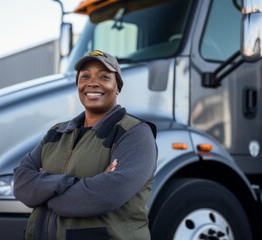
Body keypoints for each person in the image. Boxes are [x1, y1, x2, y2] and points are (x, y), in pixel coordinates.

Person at [13, 50, 158, 240]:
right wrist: (71, 184)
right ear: (78, 85)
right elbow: (21, 182)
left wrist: (44, 193)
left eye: (104, 77)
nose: (93, 82)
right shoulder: (56, 133)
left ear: (117, 87)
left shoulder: (135, 133)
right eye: (85, 76)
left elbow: (108, 194)